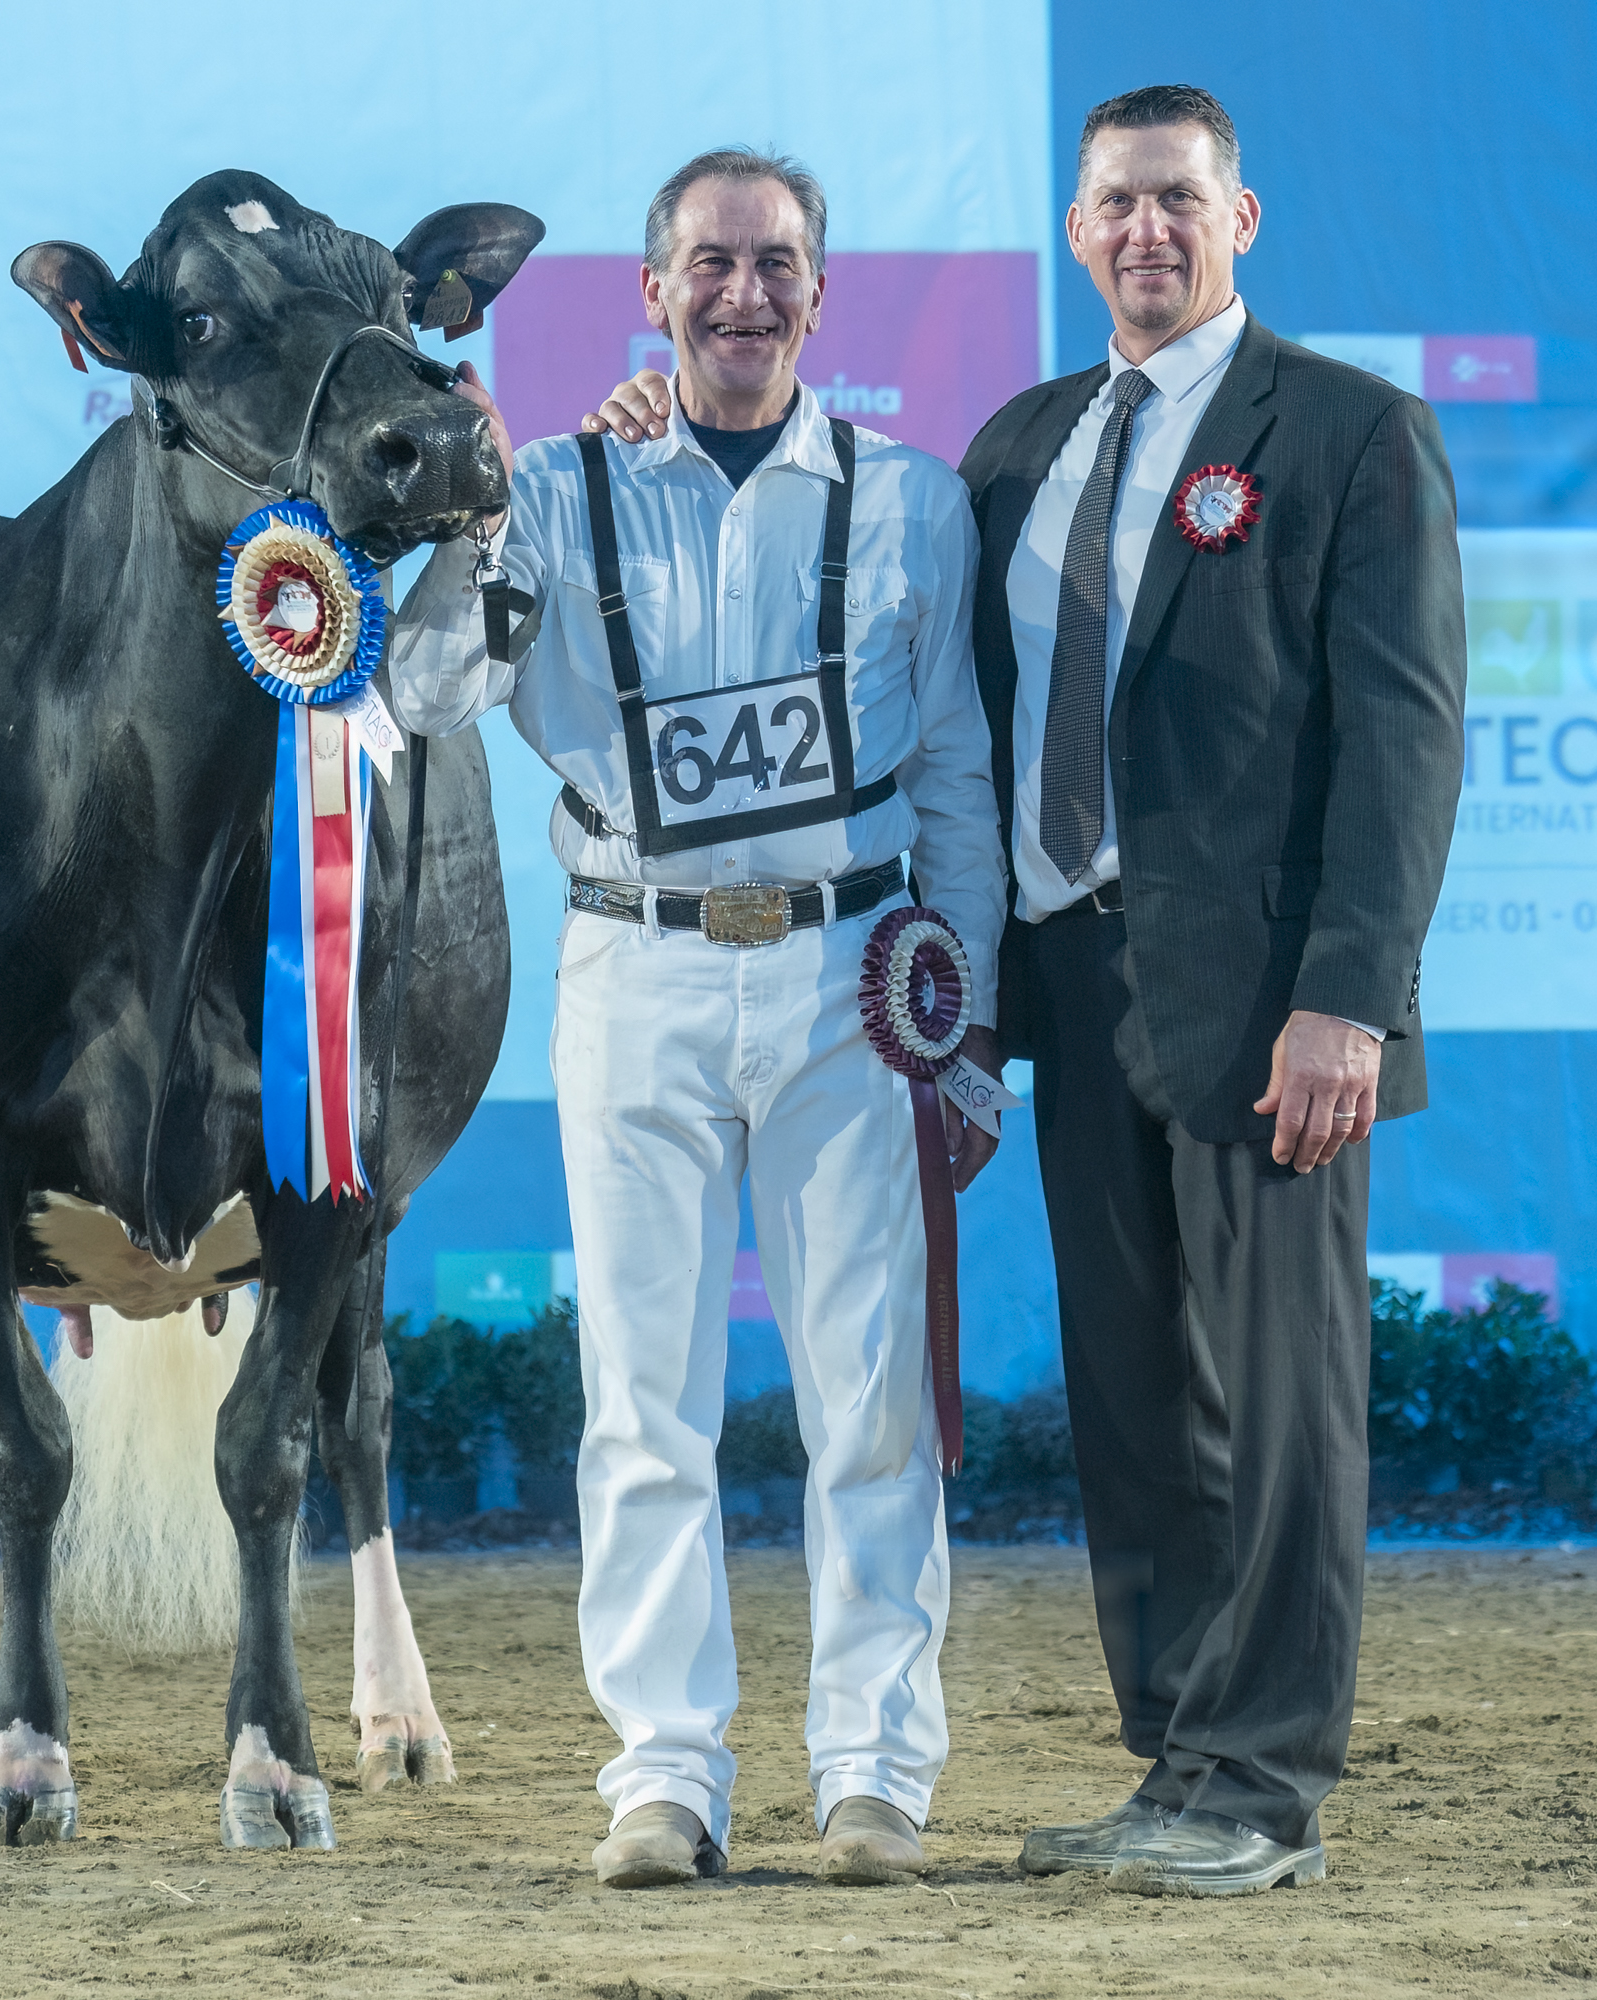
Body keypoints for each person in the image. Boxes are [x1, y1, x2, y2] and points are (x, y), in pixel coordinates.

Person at [598, 82, 1467, 1895]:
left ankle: (1263, 1789)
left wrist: (1352, 997)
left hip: (1269, 1006)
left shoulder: (1346, 432)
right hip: (1070, 989)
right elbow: (956, 737)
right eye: (1116, 205)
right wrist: (973, 1012)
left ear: (1239, 219)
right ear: (1076, 234)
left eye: (1178, 200)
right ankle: (1177, 1758)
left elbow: (1404, 741)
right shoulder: (1014, 448)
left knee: (1280, 1398)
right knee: (1132, 1397)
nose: (1146, 230)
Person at [396, 147, 1007, 1890]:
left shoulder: (911, 501)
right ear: (651, 290)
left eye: (776, 262)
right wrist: (476, 530)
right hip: (634, 968)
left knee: (872, 1399)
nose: (744, 293)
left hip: (853, 983)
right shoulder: (548, 487)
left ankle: (872, 1775)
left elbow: (954, 777)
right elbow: (427, 690)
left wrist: (964, 1027)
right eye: (711, 264)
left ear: (820, 290)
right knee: (640, 1400)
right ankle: (662, 1778)